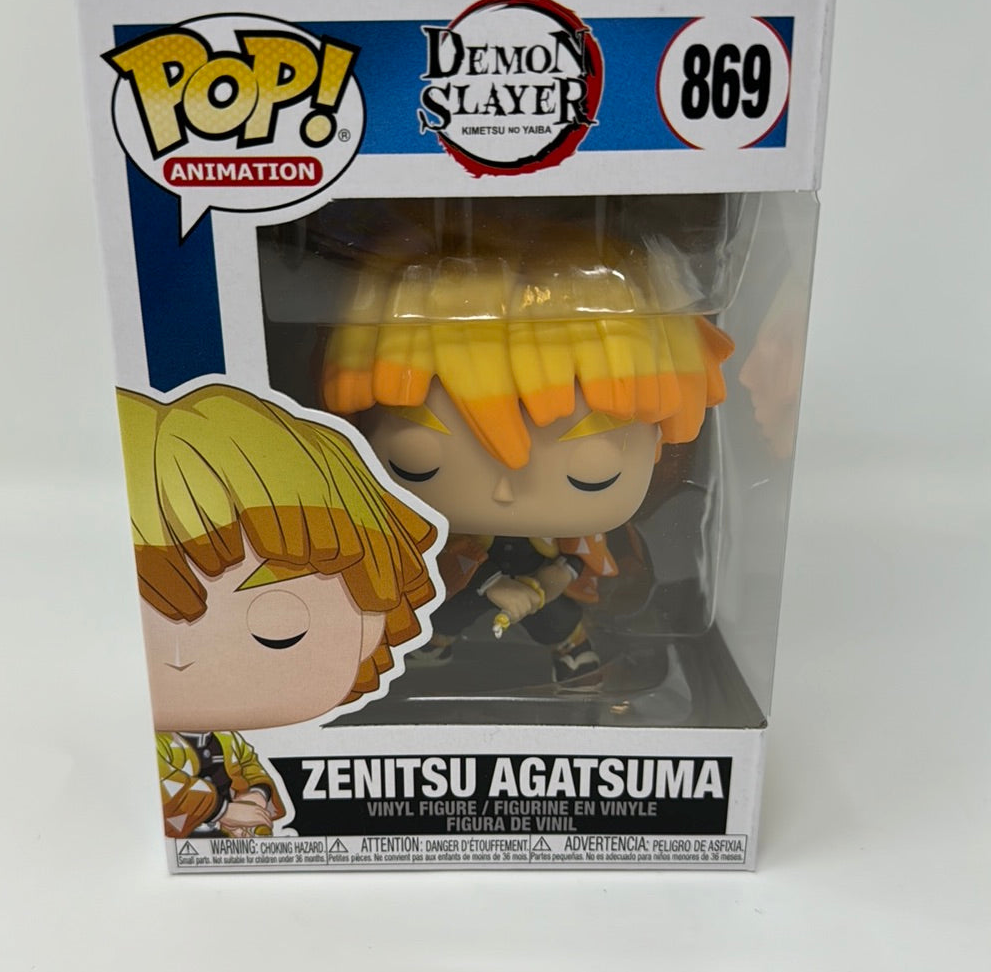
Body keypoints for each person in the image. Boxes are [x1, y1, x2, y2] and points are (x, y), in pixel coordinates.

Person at [321, 209, 732, 685]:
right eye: (417, 462)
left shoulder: (573, 539)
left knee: (555, 619)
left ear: (660, 443)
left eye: (591, 471)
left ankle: (569, 646)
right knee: (449, 609)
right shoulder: (435, 540)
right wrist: (495, 585)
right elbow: (439, 565)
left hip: (539, 587)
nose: (504, 491)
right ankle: (433, 641)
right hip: (466, 583)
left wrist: (545, 585)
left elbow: (575, 561)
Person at [118, 385, 440, 837]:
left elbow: (250, 768)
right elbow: (153, 787)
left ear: (372, 619)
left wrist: (256, 796)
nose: (177, 657)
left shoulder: (222, 738)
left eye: (278, 630)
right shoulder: (137, 743)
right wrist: (220, 810)